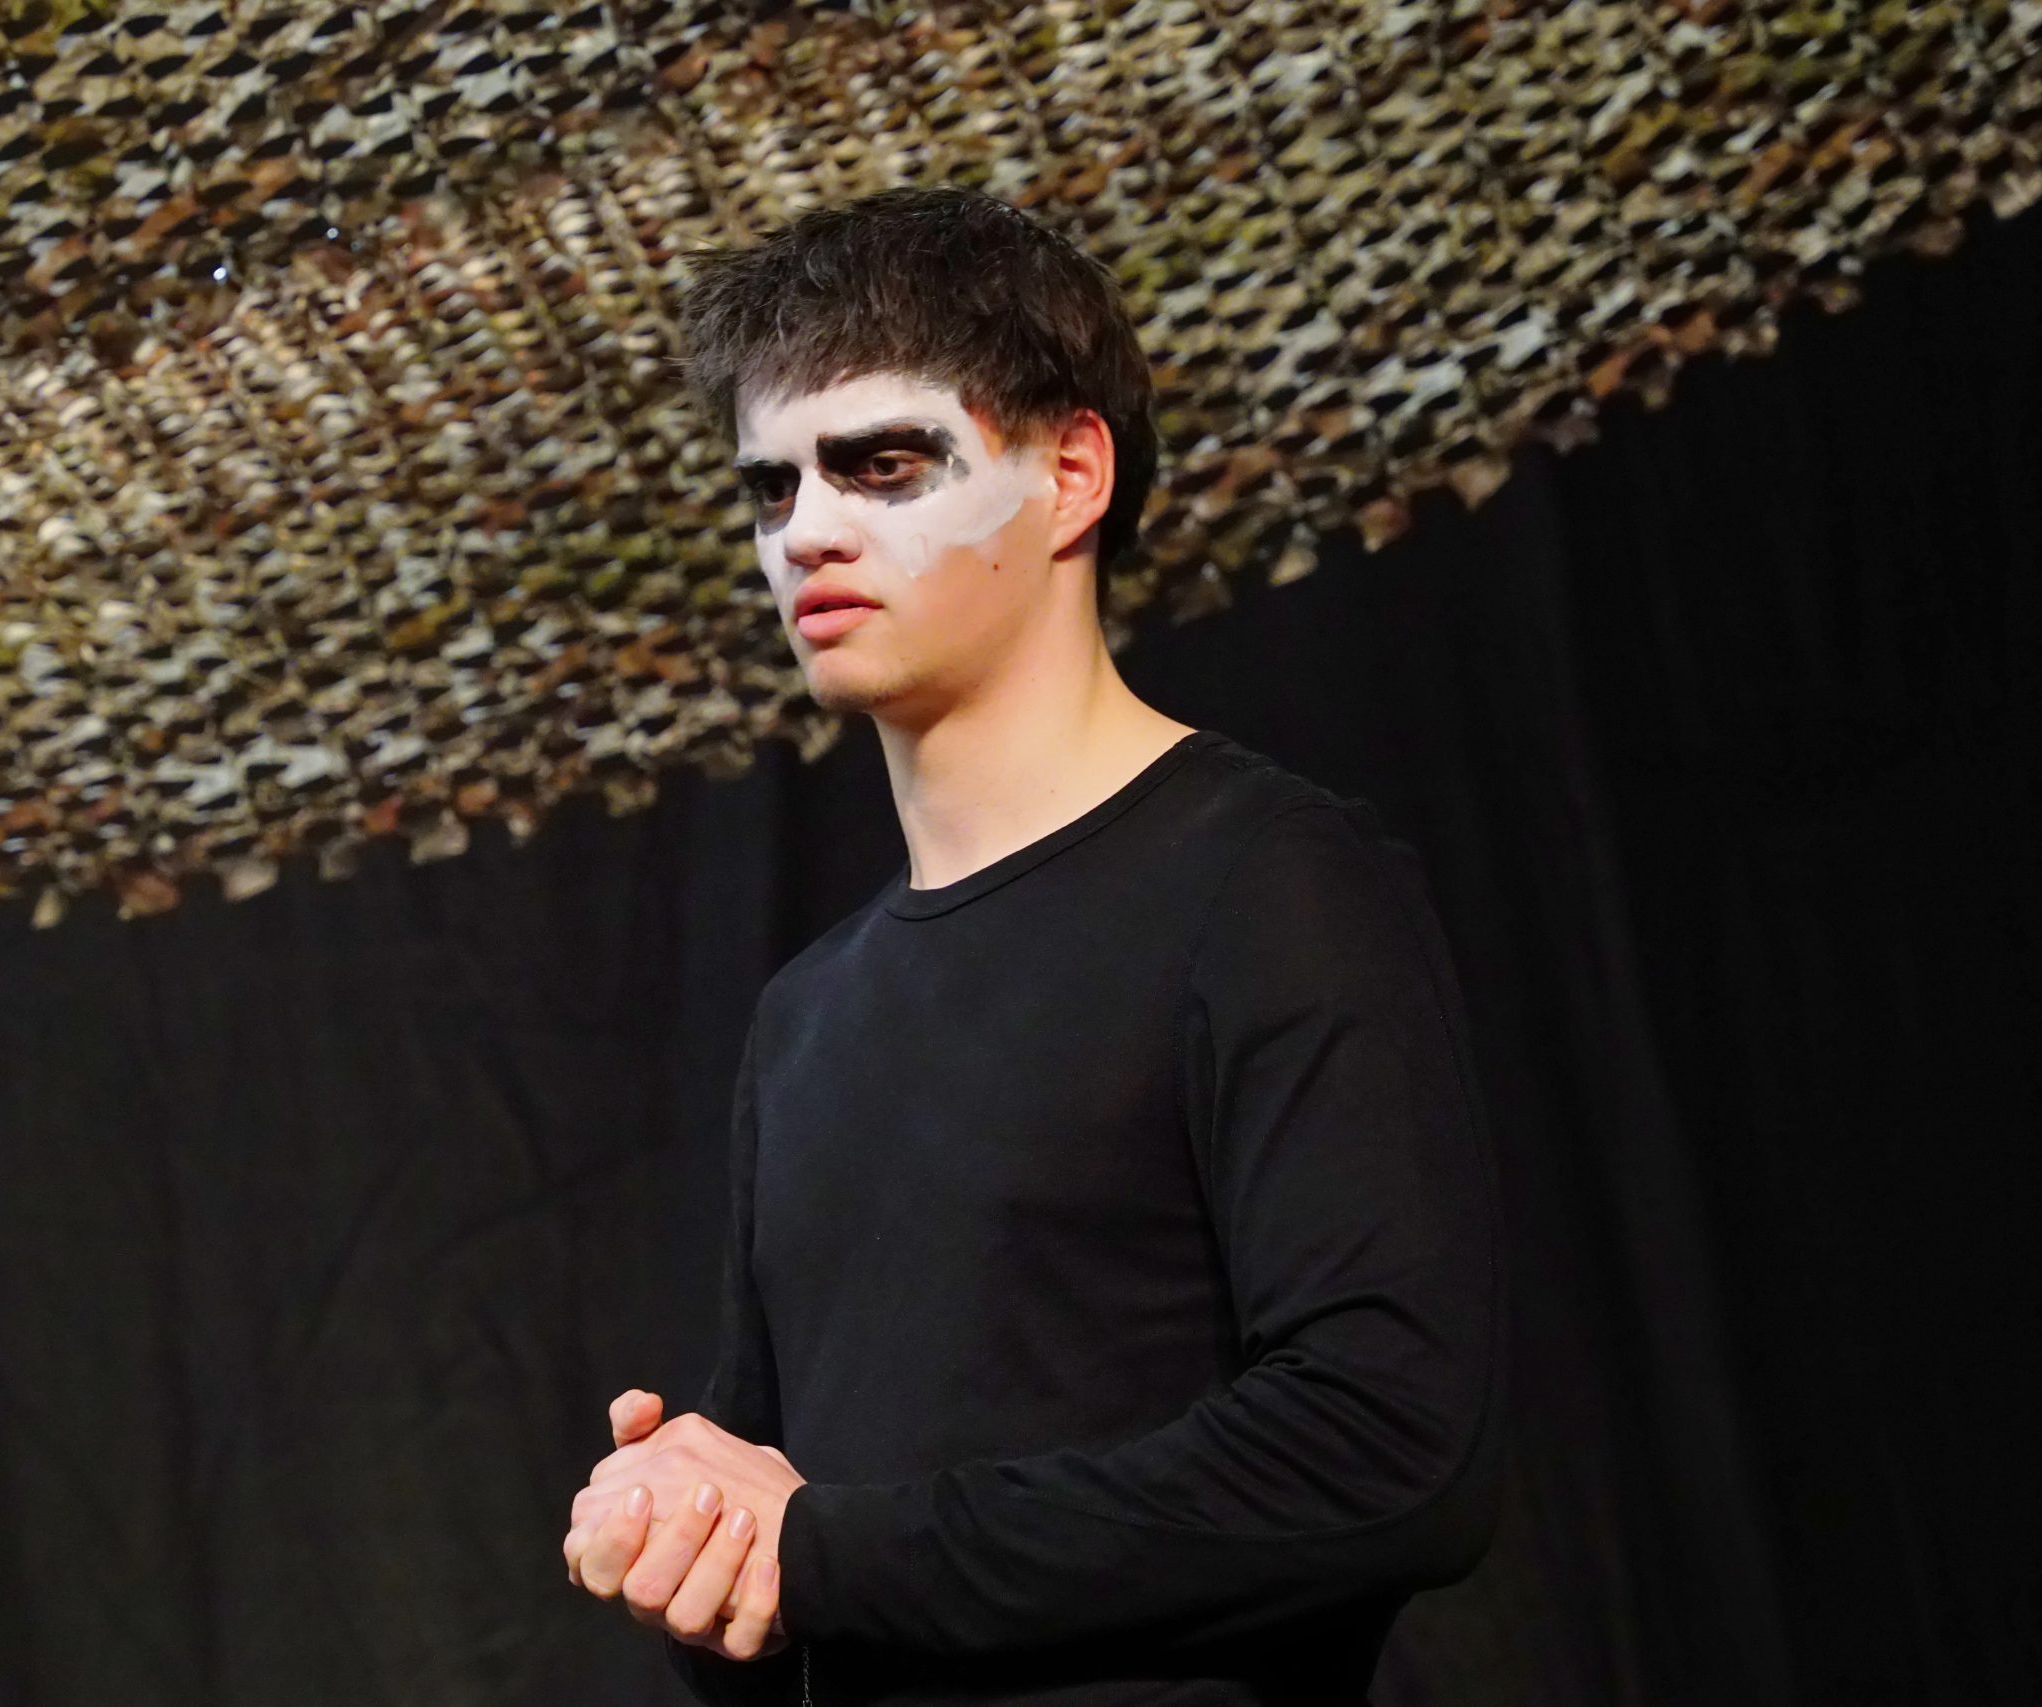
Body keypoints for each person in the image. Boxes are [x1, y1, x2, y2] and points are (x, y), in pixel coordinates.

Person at [559, 183, 1507, 1705]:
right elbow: (805, 1581)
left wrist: (825, 1553)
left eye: (880, 464)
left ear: (1071, 475)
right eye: (770, 488)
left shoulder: (1267, 884)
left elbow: (1388, 1451)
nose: (807, 531)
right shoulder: (805, 1018)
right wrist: (694, 1551)